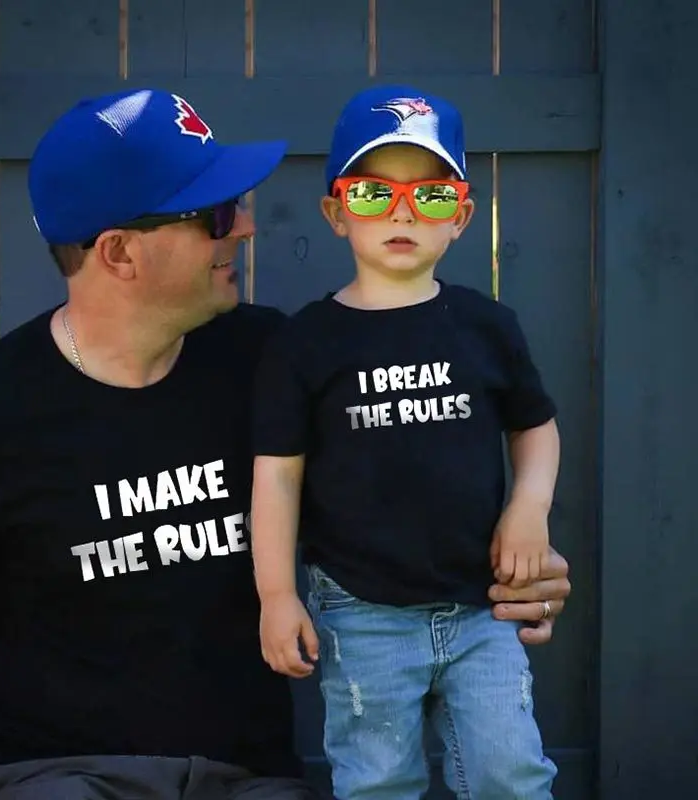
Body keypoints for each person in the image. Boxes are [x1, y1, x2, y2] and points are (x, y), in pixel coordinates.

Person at [0, 87, 570, 800]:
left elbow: (410, 488)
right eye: (216, 213)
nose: (245, 228)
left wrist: (517, 569)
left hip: (247, 780)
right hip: (58, 776)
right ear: (120, 252)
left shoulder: (276, 359)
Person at [251, 85, 561, 800]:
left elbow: (535, 425)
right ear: (335, 213)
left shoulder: (486, 326)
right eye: (371, 194)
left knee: (509, 774)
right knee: (378, 781)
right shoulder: (305, 343)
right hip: (362, 612)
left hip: (483, 607)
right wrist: (275, 592)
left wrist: (530, 507)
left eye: (430, 195)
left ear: (461, 217)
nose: (400, 211)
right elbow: (278, 478)